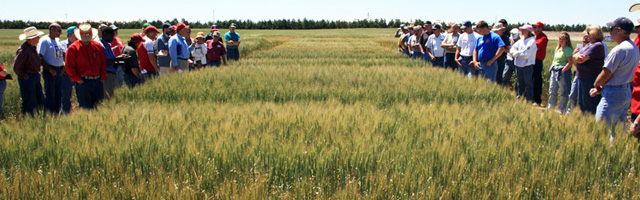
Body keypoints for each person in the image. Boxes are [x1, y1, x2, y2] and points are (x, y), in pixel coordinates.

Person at [590, 17, 639, 141]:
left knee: (601, 131)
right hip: (626, 91)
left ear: (619, 30)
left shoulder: (619, 50)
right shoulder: (634, 47)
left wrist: (597, 85)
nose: (609, 32)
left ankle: (600, 156)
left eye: (611, 29)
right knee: (617, 131)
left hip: (613, 94)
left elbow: (606, 73)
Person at [65, 24, 106, 110]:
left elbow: (103, 63)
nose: (86, 41)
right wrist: (78, 80)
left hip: (97, 80)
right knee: (85, 108)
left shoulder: (98, 46)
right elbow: (69, 66)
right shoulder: (73, 48)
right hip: (83, 82)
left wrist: (102, 77)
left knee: (99, 107)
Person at [573, 25, 605, 114]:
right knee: (581, 102)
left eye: (588, 33)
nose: (586, 35)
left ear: (593, 34)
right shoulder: (589, 45)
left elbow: (581, 59)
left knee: (588, 103)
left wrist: (576, 57)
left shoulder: (597, 45)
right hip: (582, 77)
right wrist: (575, 56)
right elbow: (575, 57)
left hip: (589, 78)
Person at [14, 27, 45, 115]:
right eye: (37, 37)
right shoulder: (23, 50)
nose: (39, 38)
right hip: (28, 78)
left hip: (34, 76)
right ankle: (29, 119)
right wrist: (25, 77)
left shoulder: (32, 48)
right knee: (30, 101)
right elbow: (17, 67)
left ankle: (35, 119)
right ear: (31, 38)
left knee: (39, 100)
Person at [37, 23, 66, 114]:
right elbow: (40, 57)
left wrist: (63, 66)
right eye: (59, 30)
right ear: (52, 30)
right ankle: (49, 115)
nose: (60, 33)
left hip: (59, 70)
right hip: (50, 71)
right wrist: (49, 69)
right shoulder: (44, 40)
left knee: (58, 94)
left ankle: (56, 114)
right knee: (50, 95)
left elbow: (62, 54)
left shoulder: (57, 40)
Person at [547, 32, 574, 113]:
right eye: (560, 39)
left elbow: (570, 62)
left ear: (567, 40)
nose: (561, 41)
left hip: (562, 72)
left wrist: (563, 70)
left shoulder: (568, 50)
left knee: (563, 91)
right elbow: (554, 60)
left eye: (563, 39)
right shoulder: (557, 48)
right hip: (554, 70)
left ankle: (561, 109)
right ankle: (550, 108)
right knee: (552, 90)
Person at [510, 25, 537, 102]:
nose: (521, 31)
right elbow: (512, 49)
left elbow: (526, 55)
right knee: (520, 83)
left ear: (528, 31)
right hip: (518, 65)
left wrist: (516, 53)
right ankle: (520, 97)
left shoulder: (531, 41)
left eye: (523, 30)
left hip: (527, 66)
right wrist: (518, 52)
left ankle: (529, 99)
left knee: (528, 84)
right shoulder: (521, 40)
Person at [99, 26, 120, 99]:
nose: (113, 37)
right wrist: (116, 59)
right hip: (107, 75)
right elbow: (103, 63)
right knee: (108, 97)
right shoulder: (101, 46)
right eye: (111, 35)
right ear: (105, 34)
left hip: (112, 74)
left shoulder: (107, 45)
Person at [60, 26, 77, 114]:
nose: (77, 36)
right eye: (75, 34)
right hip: (67, 75)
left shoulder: (80, 44)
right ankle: (65, 114)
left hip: (78, 74)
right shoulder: (61, 44)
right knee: (66, 97)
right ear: (69, 35)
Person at [532, 21, 548, 105]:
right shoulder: (533, 36)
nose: (534, 29)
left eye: (536, 27)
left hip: (537, 61)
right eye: (534, 27)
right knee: (530, 79)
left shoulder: (543, 38)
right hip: (530, 60)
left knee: (537, 80)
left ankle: (537, 100)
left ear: (541, 28)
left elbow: (536, 46)